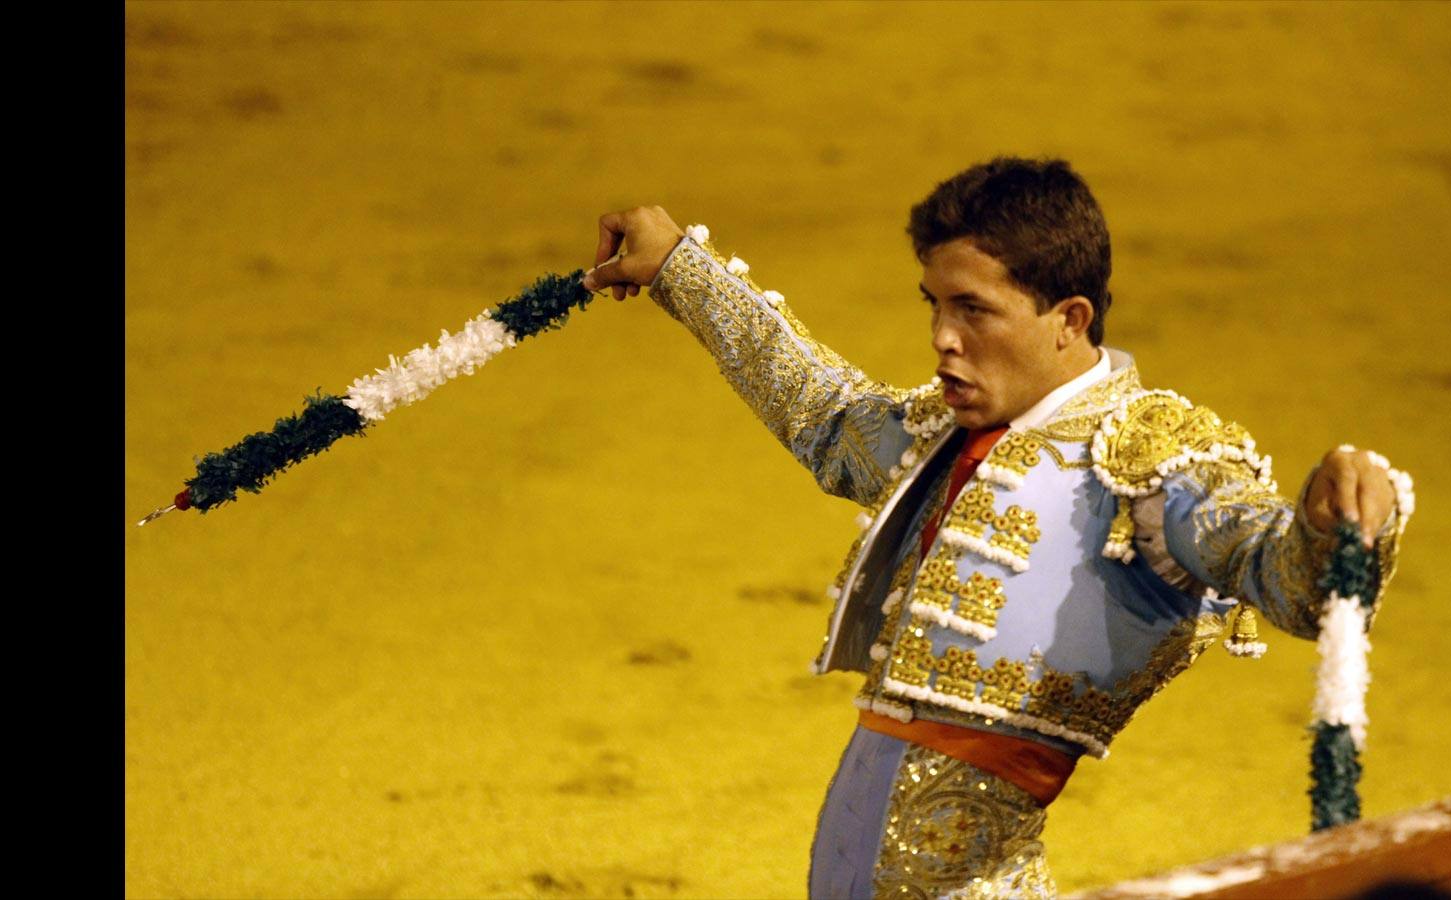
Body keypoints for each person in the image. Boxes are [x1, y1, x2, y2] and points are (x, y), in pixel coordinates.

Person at [580, 157, 1408, 899]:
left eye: (974, 310)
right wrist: (682, 269)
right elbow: (826, 417)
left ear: (1070, 319)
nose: (943, 339)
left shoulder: (1152, 455)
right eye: (936, 306)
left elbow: (1287, 577)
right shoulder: (947, 436)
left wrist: (1331, 521)